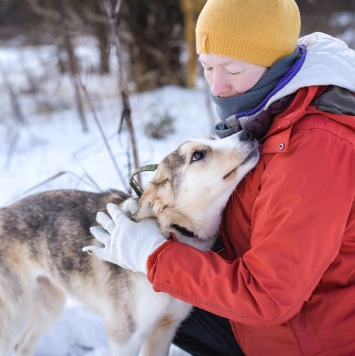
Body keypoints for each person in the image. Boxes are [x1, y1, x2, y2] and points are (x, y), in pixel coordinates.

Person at [83, 0, 355, 354]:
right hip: (281, 315)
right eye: (207, 66)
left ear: (274, 62)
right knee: (160, 293)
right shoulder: (269, 110)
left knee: (165, 286)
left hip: (308, 337)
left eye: (232, 69)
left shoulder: (316, 147)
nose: (218, 85)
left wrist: (155, 256)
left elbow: (270, 296)